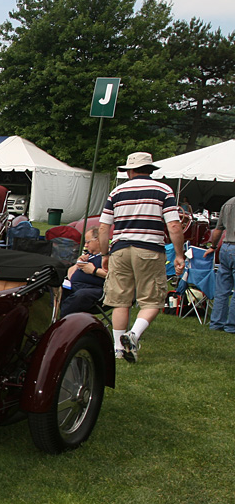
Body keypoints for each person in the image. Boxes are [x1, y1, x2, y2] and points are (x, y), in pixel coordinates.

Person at [98, 151, 185, 363]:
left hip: (120, 248)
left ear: (129, 171)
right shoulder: (163, 190)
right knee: (152, 299)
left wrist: (104, 254)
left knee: (120, 299)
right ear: (150, 170)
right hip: (149, 249)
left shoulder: (116, 192)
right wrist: (179, 255)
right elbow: (174, 225)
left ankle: (118, 348)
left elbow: (103, 227)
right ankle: (134, 334)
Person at [204, 195, 235, 333]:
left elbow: (218, 229)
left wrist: (213, 246)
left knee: (222, 289)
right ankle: (231, 326)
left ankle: (216, 323)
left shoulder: (228, 203)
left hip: (226, 247)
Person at [61, 229, 106, 316]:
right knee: (54, 286)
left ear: (98, 240)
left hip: (95, 290)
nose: (85, 245)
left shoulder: (107, 257)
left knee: (80, 295)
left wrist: (94, 271)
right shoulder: (88, 255)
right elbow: (69, 274)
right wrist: (78, 264)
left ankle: (61, 322)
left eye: (88, 242)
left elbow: (115, 276)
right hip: (75, 286)